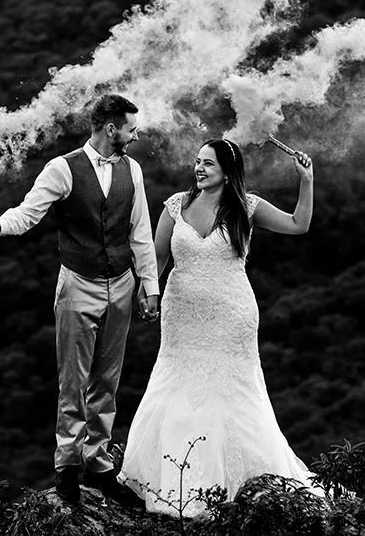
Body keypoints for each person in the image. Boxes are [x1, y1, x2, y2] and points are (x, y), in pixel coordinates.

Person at [0, 93, 160, 506]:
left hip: (123, 285)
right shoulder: (62, 169)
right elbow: (28, 212)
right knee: (73, 380)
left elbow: (141, 233)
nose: (135, 134)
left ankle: (98, 464)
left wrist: (150, 287)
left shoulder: (133, 169)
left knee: (107, 380)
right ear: (111, 128)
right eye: (131, 128)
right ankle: (67, 471)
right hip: (78, 284)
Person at [118, 138, 316, 516]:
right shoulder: (177, 205)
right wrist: (148, 297)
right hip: (182, 317)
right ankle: (173, 485)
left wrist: (305, 180)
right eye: (197, 162)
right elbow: (157, 258)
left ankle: (234, 485)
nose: (199, 168)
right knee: (176, 389)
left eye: (208, 163)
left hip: (232, 316)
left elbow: (298, 225)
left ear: (228, 170)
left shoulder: (247, 206)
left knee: (231, 395)